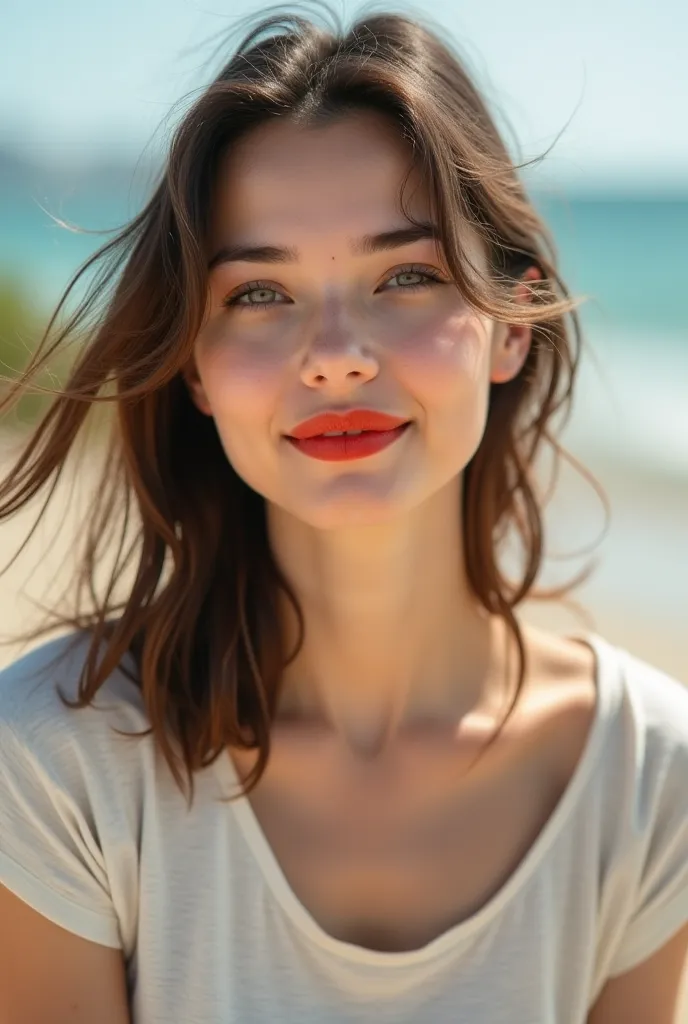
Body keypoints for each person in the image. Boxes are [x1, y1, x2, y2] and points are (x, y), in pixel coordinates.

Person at [1, 4, 687, 1022]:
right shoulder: (54, 761)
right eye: (259, 294)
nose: (334, 353)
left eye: (405, 276)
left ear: (508, 327)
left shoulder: (646, 773)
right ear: (194, 366)